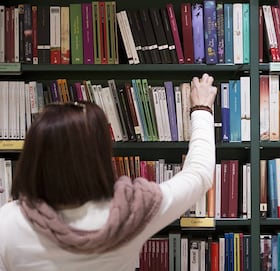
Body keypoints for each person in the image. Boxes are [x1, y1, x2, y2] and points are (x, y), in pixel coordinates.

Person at [0, 73, 217, 271]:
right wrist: (202, 109)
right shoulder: (133, 212)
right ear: (100, 153)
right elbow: (199, 174)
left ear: (34, 155)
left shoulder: (9, 222)